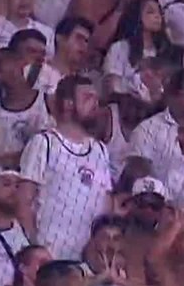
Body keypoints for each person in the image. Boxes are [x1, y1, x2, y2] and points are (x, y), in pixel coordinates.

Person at [19, 74, 114, 260]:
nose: (95, 103)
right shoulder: (44, 143)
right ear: (68, 104)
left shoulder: (100, 150)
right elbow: (23, 201)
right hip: (51, 255)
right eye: (87, 98)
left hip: (89, 258)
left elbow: (107, 202)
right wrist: (35, 247)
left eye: (96, 98)